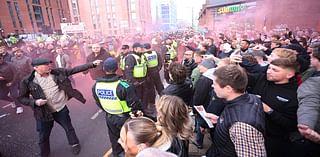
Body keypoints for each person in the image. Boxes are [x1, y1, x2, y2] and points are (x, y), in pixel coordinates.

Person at [18, 58, 103, 157]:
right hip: (43, 112)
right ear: (36, 68)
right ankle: (44, 153)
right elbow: (21, 98)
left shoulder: (58, 73)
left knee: (69, 128)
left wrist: (92, 64)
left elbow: (74, 70)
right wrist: (35, 102)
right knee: (43, 136)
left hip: (60, 108)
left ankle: (74, 144)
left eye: (49, 64)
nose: (49, 66)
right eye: (46, 65)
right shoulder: (28, 81)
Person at [206, 65, 266, 157]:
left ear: (228, 89)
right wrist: (220, 122)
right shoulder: (252, 98)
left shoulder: (242, 127)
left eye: (214, 83)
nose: (212, 86)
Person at [92, 57, 143, 157]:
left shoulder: (96, 85)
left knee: (115, 143)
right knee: (131, 143)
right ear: (117, 68)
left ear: (103, 69)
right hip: (125, 119)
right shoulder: (124, 85)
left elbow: (98, 103)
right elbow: (135, 104)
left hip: (110, 118)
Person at [297, 45, 320, 150]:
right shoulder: (311, 73)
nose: (309, 56)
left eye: (312, 55)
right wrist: (306, 123)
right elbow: (310, 102)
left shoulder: (314, 81)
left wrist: (306, 125)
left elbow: (310, 102)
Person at [10, 47, 33, 114]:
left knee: (25, 90)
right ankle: (19, 106)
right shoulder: (12, 59)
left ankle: (30, 101)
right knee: (15, 93)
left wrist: (31, 77)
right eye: (16, 52)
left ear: (22, 52)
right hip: (15, 78)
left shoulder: (27, 59)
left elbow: (31, 69)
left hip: (25, 77)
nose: (17, 53)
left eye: (19, 52)